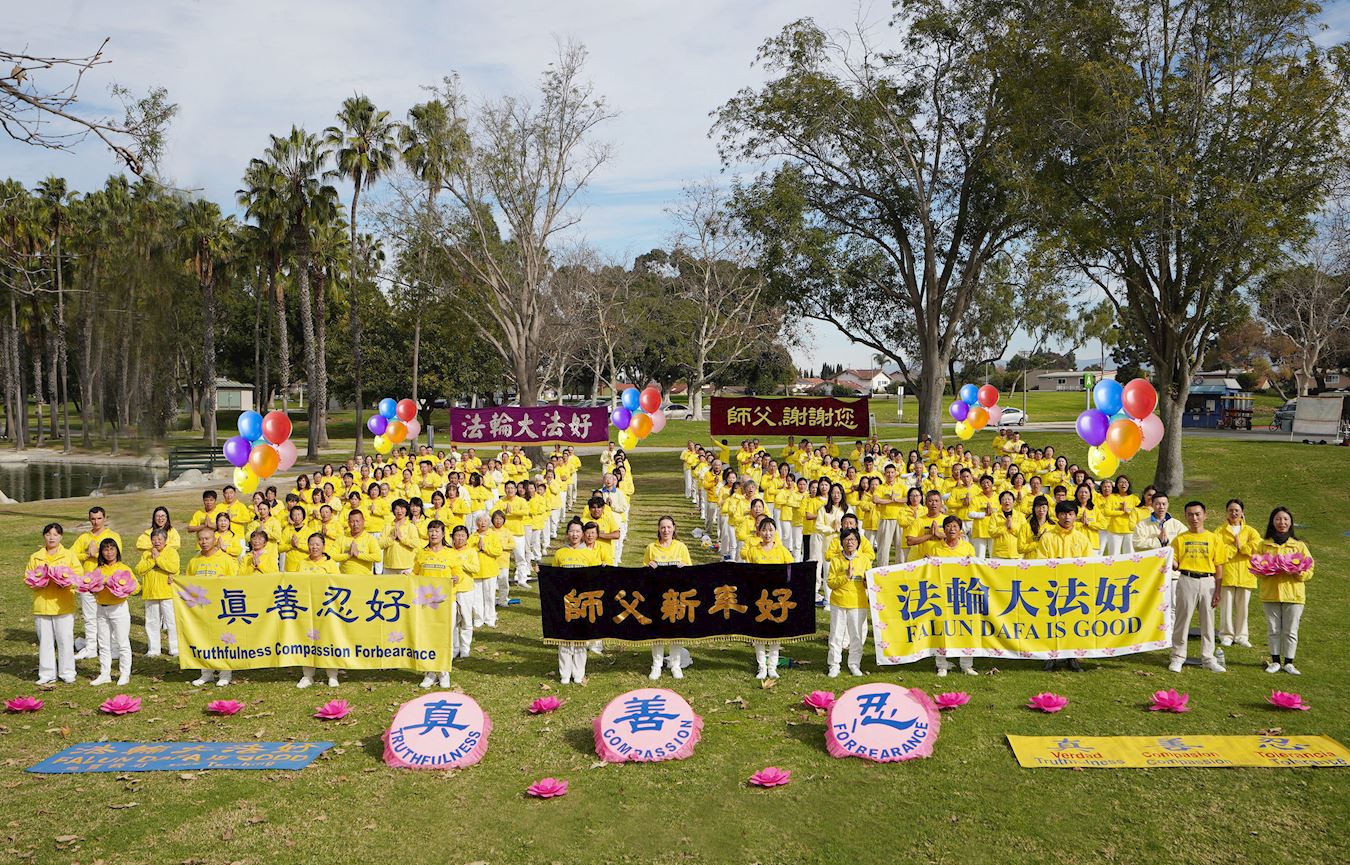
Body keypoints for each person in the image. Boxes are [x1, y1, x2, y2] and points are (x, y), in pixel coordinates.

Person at [1168, 501, 1227, 674]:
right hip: (1187, 579)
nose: (1194, 518)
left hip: (1208, 581)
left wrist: (1218, 590)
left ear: (1205, 515)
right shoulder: (1180, 539)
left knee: (1208, 622)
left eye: (1197, 514)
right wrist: (1168, 558)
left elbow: (1219, 566)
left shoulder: (1214, 538)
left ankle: (1208, 658)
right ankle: (1178, 657)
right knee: (1182, 620)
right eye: (1190, 514)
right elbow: (1176, 563)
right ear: (1185, 516)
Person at [1256, 506, 1313, 675]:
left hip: (1294, 595)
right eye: (1278, 519)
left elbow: (1309, 570)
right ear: (1272, 522)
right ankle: (1274, 661)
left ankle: (1289, 662)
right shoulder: (1263, 545)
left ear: (1290, 523)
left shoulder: (1299, 546)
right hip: (1271, 594)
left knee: (1290, 630)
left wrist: (1297, 572)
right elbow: (1256, 566)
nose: (1282, 522)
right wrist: (1266, 570)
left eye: (1285, 519)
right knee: (1273, 629)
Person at [27, 523, 82, 685]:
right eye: (49, 534)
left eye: (56, 535)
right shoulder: (35, 557)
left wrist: (67, 583)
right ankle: (47, 674)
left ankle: (67, 672)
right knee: (45, 641)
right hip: (42, 605)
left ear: (61, 537)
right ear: (44, 536)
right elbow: (27, 577)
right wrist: (37, 583)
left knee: (65, 639)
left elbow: (78, 576)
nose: (52, 537)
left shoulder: (69, 555)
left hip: (62, 605)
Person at [740, 517, 794, 680]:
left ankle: (773, 666)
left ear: (775, 532)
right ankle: (761, 666)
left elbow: (791, 570)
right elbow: (747, 572)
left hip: (777, 599)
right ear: (759, 532)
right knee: (759, 633)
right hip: (759, 597)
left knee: (775, 633)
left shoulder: (782, 550)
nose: (767, 533)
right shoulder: (753, 550)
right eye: (764, 530)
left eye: (771, 530)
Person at [186, 528, 240, 686]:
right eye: (201, 539)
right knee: (203, 639)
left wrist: (226, 581)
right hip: (201, 609)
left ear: (214, 539)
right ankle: (206, 672)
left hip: (221, 608)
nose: (204, 542)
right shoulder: (194, 561)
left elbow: (236, 582)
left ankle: (225, 673)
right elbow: (188, 585)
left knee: (223, 638)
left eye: (207, 538)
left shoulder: (225, 559)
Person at [643, 516, 692, 680]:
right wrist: (649, 568)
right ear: (658, 529)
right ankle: (656, 665)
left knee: (675, 630)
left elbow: (691, 572)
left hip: (676, 596)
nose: (666, 530)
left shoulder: (681, 547)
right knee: (657, 631)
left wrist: (684, 568)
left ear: (674, 528)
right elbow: (643, 573)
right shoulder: (651, 548)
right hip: (657, 595)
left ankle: (675, 664)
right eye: (662, 527)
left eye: (669, 527)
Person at [551, 518, 599, 684]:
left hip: (583, 602)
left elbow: (596, 578)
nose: (575, 534)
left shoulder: (590, 554)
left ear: (583, 534)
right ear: (567, 534)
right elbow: (553, 578)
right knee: (564, 638)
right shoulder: (559, 554)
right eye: (572, 531)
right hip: (565, 602)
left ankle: (578, 672)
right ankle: (564, 673)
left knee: (580, 639)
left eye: (578, 531)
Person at [928, 517, 977, 677]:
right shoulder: (936, 548)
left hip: (963, 593)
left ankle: (966, 664)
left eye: (955, 526)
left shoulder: (968, 547)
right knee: (942, 628)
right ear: (944, 529)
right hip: (942, 593)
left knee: (966, 627)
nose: (951, 529)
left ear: (960, 530)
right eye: (948, 526)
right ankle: (941, 664)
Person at [71, 507, 121, 661]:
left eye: (99, 518)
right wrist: (87, 554)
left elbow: (117, 555)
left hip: (106, 582)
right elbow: (71, 555)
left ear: (104, 518)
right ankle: (91, 647)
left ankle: (113, 647)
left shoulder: (113, 536)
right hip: (87, 583)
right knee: (89, 616)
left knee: (109, 616)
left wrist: (97, 554)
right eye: (93, 519)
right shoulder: (84, 537)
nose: (96, 521)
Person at [825, 528, 876, 678]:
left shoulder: (864, 560)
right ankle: (834, 665)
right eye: (847, 539)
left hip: (858, 603)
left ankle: (854, 664)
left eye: (853, 539)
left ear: (858, 542)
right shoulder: (836, 560)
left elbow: (869, 583)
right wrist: (845, 577)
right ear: (841, 542)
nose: (850, 542)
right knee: (836, 635)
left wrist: (867, 582)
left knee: (857, 635)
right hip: (838, 602)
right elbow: (830, 583)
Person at [89, 538, 137, 686]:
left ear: (117, 550)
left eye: (112, 548)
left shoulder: (124, 568)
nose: (109, 552)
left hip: (118, 608)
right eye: (106, 549)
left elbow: (136, 587)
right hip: (101, 608)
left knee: (122, 642)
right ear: (101, 552)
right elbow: (91, 586)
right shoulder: (98, 570)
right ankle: (105, 674)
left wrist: (124, 590)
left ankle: (124, 674)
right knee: (103, 643)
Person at [296, 533, 342, 689]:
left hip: (326, 609)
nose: (314, 547)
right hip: (307, 609)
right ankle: (307, 675)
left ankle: (332, 675)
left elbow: (337, 585)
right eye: (311, 544)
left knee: (328, 639)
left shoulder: (330, 564)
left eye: (317, 544)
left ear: (323, 546)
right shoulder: (301, 563)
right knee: (307, 640)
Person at [1216, 498, 1261, 648]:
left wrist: (1242, 547)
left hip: (1246, 574)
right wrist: (1234, 549)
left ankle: (1241, 635)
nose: (1234, 513)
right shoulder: (1220, 531)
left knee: (1243, 608)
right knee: (1226, 607)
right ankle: (1226, 635)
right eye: (1231, 510)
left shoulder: (1250, 531)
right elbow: (1218, 550)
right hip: (1227, 574)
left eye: (1237, 510)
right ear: (1226, 512)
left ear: (1242, 512)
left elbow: (1257, 547)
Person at [134, 527, 180, 656]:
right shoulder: (146, 554)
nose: (157, 542)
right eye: (154, 539)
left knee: (171, 621)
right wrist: (152, 561)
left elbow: (173, 567)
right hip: (150, 592)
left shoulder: (171, 552)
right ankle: (153, 649)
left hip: (167, 592)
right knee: (151, 622)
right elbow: (139, 569)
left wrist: (158, 560)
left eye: (159, 539)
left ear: (165, 540)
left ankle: (174, 648)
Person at [471, 515, 504, 628]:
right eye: (480, 521)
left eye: (485, 521)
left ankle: (490, 617)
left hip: (490, 570)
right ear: (476, 523)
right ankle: (478, 618)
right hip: (476, 571)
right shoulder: (472, 537)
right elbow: (468, 551)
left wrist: (485, 548)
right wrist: (477, 548)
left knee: (489, 595)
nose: (482, 523)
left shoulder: (493, 535)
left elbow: (498, 551)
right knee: (477, 597)